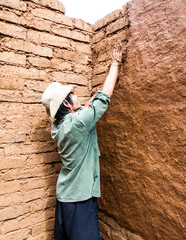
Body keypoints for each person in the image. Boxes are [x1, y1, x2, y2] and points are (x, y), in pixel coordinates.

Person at [41, 44, 122, 240]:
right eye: (72, 94)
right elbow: (105, 97)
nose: (77, 95)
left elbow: (86, 109)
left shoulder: (58, 127)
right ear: (67, 104)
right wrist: (115, 63)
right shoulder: (78, 123)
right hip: (80, 200)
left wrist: (91, 100)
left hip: (65, 198)